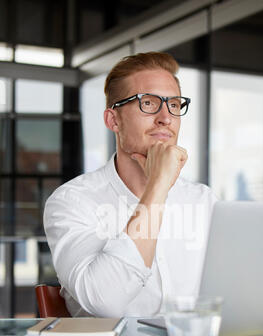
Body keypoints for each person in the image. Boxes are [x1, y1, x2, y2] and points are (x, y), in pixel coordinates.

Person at [44, 51, 217, 318]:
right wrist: (157, 187)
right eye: (148, 103)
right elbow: (105, 302)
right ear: (114, 120)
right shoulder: (72, 201)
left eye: (173, 104)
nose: (166, 118)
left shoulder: (203, 201)